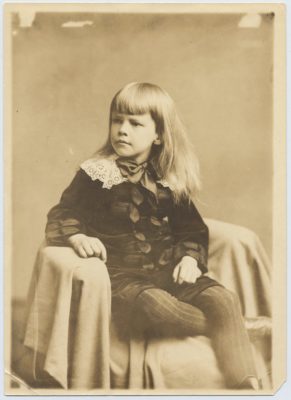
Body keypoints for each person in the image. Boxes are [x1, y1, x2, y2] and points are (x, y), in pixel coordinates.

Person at [45, 82, 260, 389]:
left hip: (169, 272)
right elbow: (64, 213)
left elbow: (192, 228)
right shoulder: (96, 174)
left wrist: (189, 258)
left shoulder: (167, 179)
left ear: (158, 135)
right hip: (124, 280)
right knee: (158, 309)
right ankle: (238, 328)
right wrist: (78, 237)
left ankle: (247, 384)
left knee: (223, 298)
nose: (122, 130)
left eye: (135, 123)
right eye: (117, 120)